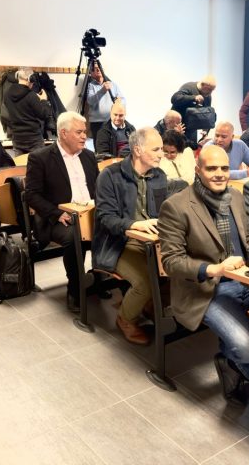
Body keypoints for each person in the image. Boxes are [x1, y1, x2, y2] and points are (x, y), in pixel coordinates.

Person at [159, 145, 249, 405]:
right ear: (198, 170)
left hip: (246, 280)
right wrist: (215, 269)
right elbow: (171, 262)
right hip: (206, 290)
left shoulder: (236, 197)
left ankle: (235, 366)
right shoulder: (176, 206)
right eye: (211, 168)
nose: (219, 174)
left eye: (224, 168)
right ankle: (242, 360)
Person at [92, 127, 167, 345]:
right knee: (145, 281)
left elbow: (162, 213)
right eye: (156, 149)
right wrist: (135, 225)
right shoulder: (110, 176)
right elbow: (106, 218)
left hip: (151, 242)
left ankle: (148, 304)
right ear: (137, 150)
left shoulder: (159, 175)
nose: (162, 154)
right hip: (117, 243)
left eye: (162, 149)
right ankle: (125, 319)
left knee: (176, 269)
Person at [25, 112, 98, 310]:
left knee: (113, 229)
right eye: (79, 132)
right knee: (74, 236)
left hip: (89, 213)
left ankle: (99, 278)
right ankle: (75, 289)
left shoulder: (89, 156)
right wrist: (57, 213)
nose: (84, 136)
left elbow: (99, 188)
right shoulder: (40, 158)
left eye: (85, 132)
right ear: (64, 133)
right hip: (57, 218)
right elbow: (31, 195)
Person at [4, 68, 55, 154]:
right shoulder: (31, 96)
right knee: (37, 162)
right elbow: (44, 114)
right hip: (33, 139)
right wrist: (43, 100)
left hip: (17, 138)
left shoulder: (7, 94)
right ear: (30, 79)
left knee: (20, 162)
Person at [170, 75, 216, 145]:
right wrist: (193, 98)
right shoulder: (189, 87)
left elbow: (207, 115)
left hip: (191, 130)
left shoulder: (208, 96)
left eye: (212, 90)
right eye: (209, 89)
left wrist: (205, 131)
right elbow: (174, 98)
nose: (210, 93)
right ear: (202, 85)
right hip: (177, 128)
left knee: (191, 149)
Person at [85, 62, 125, 140]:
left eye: (99, 68)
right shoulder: (91, 86)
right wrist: (102, 90)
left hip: (112, 121)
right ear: (91, 73)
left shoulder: (113, 84)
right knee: (99, 145)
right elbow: (90, 101)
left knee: (112, 143)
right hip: (97, 123)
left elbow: (123, 100)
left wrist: (118, 103)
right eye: (95, 69)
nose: (98, 70)